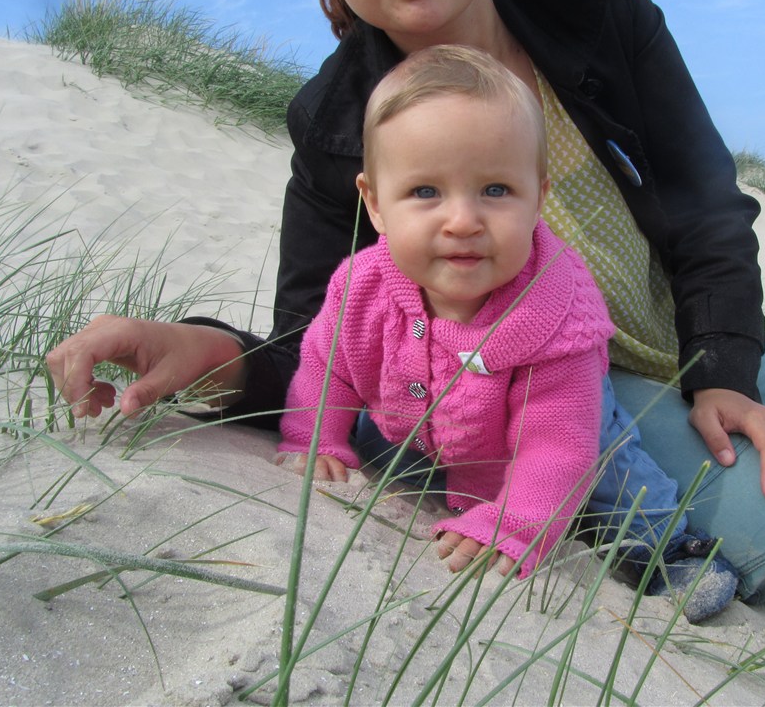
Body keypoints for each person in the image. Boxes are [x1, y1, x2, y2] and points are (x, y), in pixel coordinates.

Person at [45, 0, 765, 606]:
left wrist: (722, 373)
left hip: (671, 320)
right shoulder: (334, 120)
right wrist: (207, 351)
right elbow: (325, 342)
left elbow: (707, 202)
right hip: (554, 371)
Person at [276, 44, 738, 622]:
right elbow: (327, 368)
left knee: (608, 468)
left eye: (495, 190)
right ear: (374, 203)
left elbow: (557, 445)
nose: (463, 221)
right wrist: (314, 438)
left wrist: (513, 523)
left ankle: (670, 547)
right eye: (425, 192)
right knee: (373, 436)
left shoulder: (556, 313)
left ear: (538, 197)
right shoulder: (361, 285)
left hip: (557, 425)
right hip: (423, 428)